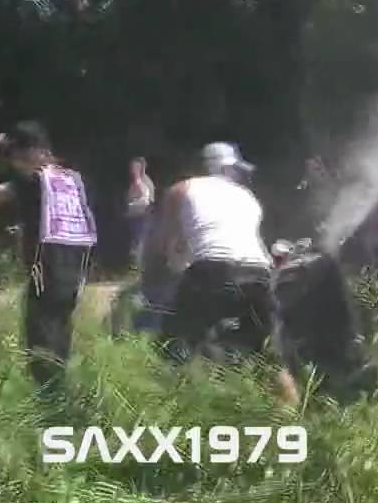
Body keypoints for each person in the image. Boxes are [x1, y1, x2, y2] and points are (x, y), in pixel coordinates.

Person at [148, 142, 299, 405]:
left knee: (175, 345)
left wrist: (163, 275)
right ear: (224, 168)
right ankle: (295, 420)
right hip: (258, 274)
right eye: (236, 170)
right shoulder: (247, 197)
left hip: (213, 270)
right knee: (269, 355)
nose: (239, 175)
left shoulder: (181, 189)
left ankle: (171, 409)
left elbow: (166, 246)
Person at [0, 121, 97, 391]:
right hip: (77, 262)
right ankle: (61, 388)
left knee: (40, 329)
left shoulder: (31, 182)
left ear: (26, 153)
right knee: (61, 323)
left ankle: (48, 395)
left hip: (48, 262)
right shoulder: (71, 179)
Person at [125, 156, 155, 268]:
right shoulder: (134, 183)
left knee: (140, 243)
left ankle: (140, 267)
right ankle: (135, 266)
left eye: (136, 167)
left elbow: (149, 201)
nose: (133, 169)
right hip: (133, 217)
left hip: (143, 217)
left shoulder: (145, 182)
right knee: (135, 243)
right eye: (132, 167)